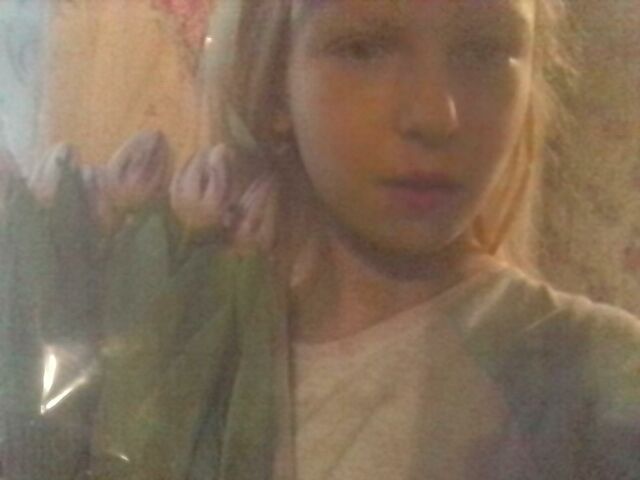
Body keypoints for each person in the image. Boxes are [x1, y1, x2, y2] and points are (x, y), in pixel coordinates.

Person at [0, 0, 639, 479]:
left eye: (485, 50)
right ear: (276, 78)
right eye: (363, 47)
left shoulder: (598, 386)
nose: (435, 114)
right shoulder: (162, 337)